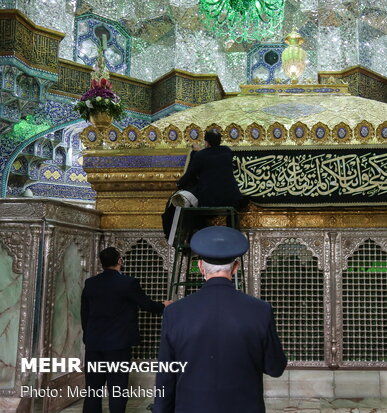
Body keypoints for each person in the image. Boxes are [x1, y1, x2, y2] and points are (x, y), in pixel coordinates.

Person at [154, 226, 287, 413]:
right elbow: (275, 367)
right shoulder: (260, 310)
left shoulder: (175, 312)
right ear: (235, 268)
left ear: (201, 267)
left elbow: (166, 376)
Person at [81, 247, 172, 413]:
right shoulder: (128, 283)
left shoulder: (91, 283)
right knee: (117, 389)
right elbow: (145, 304)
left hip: (94, 344)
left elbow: (84, 313)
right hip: (118, 344)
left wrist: (88, 336)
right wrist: (163, 306)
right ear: (120, 261)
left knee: (93, 389)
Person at [176, 129, 242, 209]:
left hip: (210, 200)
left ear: (206, 142)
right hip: (231, 197)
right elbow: (213, 155)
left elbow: (191, 173)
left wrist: (179, 184)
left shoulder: (200, 155)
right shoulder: (227, 151)